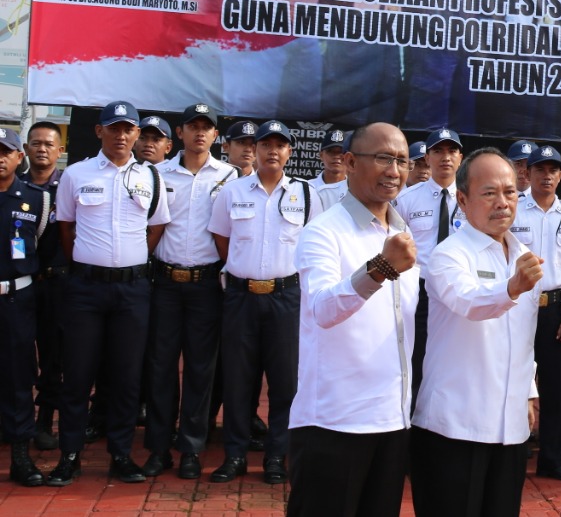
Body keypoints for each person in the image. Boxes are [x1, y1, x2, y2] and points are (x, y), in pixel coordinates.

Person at [288, 123, 419, 517]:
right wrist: (379, 268)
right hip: (334, 422)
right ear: (348, 162)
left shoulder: (402, 232)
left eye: (401, 160)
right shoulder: (323, 233)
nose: (393, 170)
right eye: (382, 158)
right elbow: (322, 310)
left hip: (392, 420)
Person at [410, 148, 542, 517]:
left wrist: (529, 391)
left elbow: (523, 339)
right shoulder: (448, 256)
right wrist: (511, 288)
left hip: (509, 428)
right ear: (463, 200)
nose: (502, 203)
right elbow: (469, 303)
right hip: (454, 427)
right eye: (489, 193)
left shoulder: (524, 256)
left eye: (510, 192)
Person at [48, 102, 171, 486]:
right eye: (113, 128)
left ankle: (120, 454)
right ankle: (70, 455)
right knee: (78, 374)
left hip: (133, 291)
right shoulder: (77, 174)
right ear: (99, 132)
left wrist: (129, 263)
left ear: (136, 135)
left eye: (128, 129)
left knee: (126, 376)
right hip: (85, 289)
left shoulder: (151, 176)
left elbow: (156, 227)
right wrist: (89, 263)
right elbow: (66, 227)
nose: (121, 135)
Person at [208, 120, 315, 485]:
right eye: (265, 144)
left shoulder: (305, 195)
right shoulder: (232, 192)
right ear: (254, 149)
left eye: (279, 145)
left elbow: (313, 247)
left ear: (289, 152)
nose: (272, 151)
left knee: (284, 382)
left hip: (286, 297)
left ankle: (275, 456)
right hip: (241, 296)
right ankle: (235, 455)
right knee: (238, 379)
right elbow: (222, 239)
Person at [143, 103, 237, 480]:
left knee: (201, 370)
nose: (200, 133)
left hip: (207, 284)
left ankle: (191, 448)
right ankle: (158, 448)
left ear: (216, 136)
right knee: (161, 367)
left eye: (207, 127)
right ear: (178, 134)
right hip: (164, 282)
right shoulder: (156, 173)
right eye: (192, 126)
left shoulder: (231, 177)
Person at [512, 144, 561, 480]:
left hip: (557, 309)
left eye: (553, 170)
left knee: (556, 389)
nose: (547, 176)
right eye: (540, 169)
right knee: (514, 379)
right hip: (517, 307)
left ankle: (552, 458)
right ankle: (512, 450)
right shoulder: (512, 210)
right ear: (528, 173)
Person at [392, 127, 464, 406]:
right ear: (428, 157)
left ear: (460, 157)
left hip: (459, 288)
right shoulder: (407, 199)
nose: (445, 157)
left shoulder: (472, 199)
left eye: (451, 151)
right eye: (438, 151)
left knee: (456, 358)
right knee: (416, 357)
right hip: (419, 291)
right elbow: (395, 247)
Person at [0, 127, 53, 486]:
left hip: (17, 299)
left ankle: (20, 456)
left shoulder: (36, 199)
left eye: (7, 151)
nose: (0, 157)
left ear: (20, 157)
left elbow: (41, 244)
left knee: (18, 378)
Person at [22, 121, 65, 452]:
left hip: (57, 285)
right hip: (21, 286)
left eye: (49, 144)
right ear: (25, 149)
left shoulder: (68, 187)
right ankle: (17, 420)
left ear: (59, 151)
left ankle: (44, 422)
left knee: (53, 358)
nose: (42, 149)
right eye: (35, 143)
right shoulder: (14, 186)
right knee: (19, 356)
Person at [308, 128, 349, 211]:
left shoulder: (356, 191)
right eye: (331, 151)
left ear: (349, 157)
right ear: (321, 155)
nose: (337, 156)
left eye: (341, 152)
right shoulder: (307, 188)